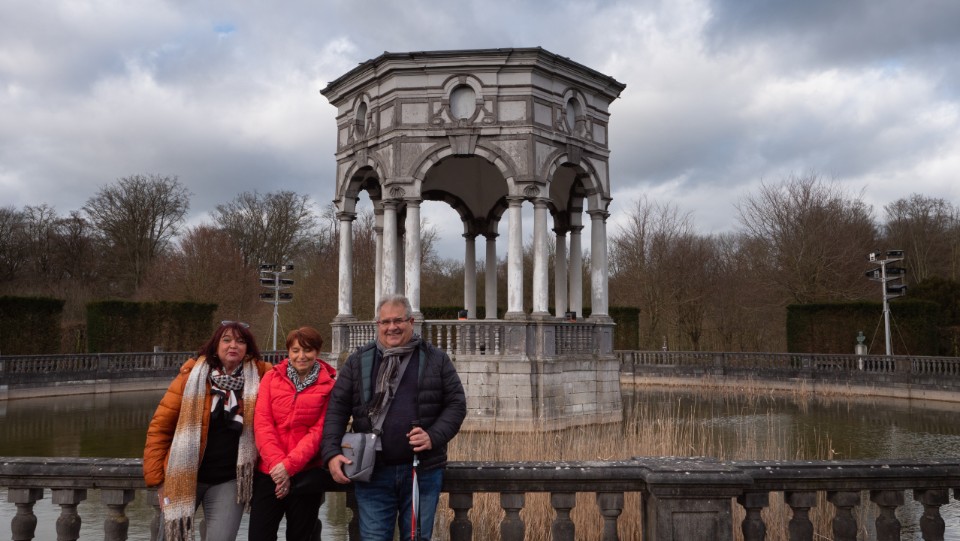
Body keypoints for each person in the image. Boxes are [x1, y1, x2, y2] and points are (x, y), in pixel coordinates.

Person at [321, 294, 467, 541]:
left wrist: (433, 436)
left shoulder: (436, 359)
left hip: (422, 470)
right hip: (373, 470)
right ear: (377, 324)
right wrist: (332, 452)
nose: (392, 327)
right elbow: (337, 409)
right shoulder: (358, 361)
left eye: (398, 320)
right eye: (385, 322)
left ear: (411, 322)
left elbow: (456, 405)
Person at [143, 320, 272, 541]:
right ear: (215, 345)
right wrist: (159, 481)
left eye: (240, 341)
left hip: (229, 481)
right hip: (184, 476)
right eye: (227, 340)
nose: (233, 345)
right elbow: (160, 429)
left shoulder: (261, 377)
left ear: (248, 348)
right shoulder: (191, 376)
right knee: (172, 537)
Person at [249, 326, 337, 540]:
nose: (301, 356)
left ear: (317, 352)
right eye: (295, 350)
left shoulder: (330, 386)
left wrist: (289, 467)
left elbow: (319, 431)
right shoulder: (271, 378)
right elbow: (262, 424)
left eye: (308, 350)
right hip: (269, 472)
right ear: (288, 351)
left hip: (305, 473)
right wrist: (279, 468)